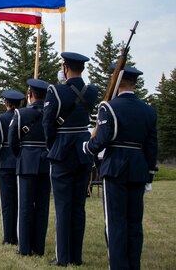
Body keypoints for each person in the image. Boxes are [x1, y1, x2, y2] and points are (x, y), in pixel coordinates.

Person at [82, 65, 157, 270]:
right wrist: (149, 175)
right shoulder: (148, 110)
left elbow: (103, 139)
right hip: (138, 168)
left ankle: (117, 265)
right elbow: (151, 146)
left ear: (117, 82)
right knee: (134, 223)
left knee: (115, 222)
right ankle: (133, 265)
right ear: (134, 83)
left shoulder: (109, 107)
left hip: (115, 167)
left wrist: (87, 146)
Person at [43, 52, 98, 266]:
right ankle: (76, 255)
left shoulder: (55, 91)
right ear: (82, 69)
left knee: (63, 206)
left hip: (62, 150)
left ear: (65, 68)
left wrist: (52, 147)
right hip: (83, 151)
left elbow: (48, 124)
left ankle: (63, 257)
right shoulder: (91, 91)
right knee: (78, 206)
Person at [8, 79, 50, 256]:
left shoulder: (20, 114)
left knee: (24, 207)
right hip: (46, 162)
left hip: (26, 162)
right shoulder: (52, 113)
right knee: (42, 207)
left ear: (30, 95)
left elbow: (13, 141)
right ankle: (39, 247)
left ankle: (24, 247)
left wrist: (21, 156)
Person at [0, 89, 25, 244]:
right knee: (20, 201)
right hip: (21, 162)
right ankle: (19, 235)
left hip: (5, 163)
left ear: (6, 103)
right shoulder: (24, 117)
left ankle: (8, 237)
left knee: (7, 202)